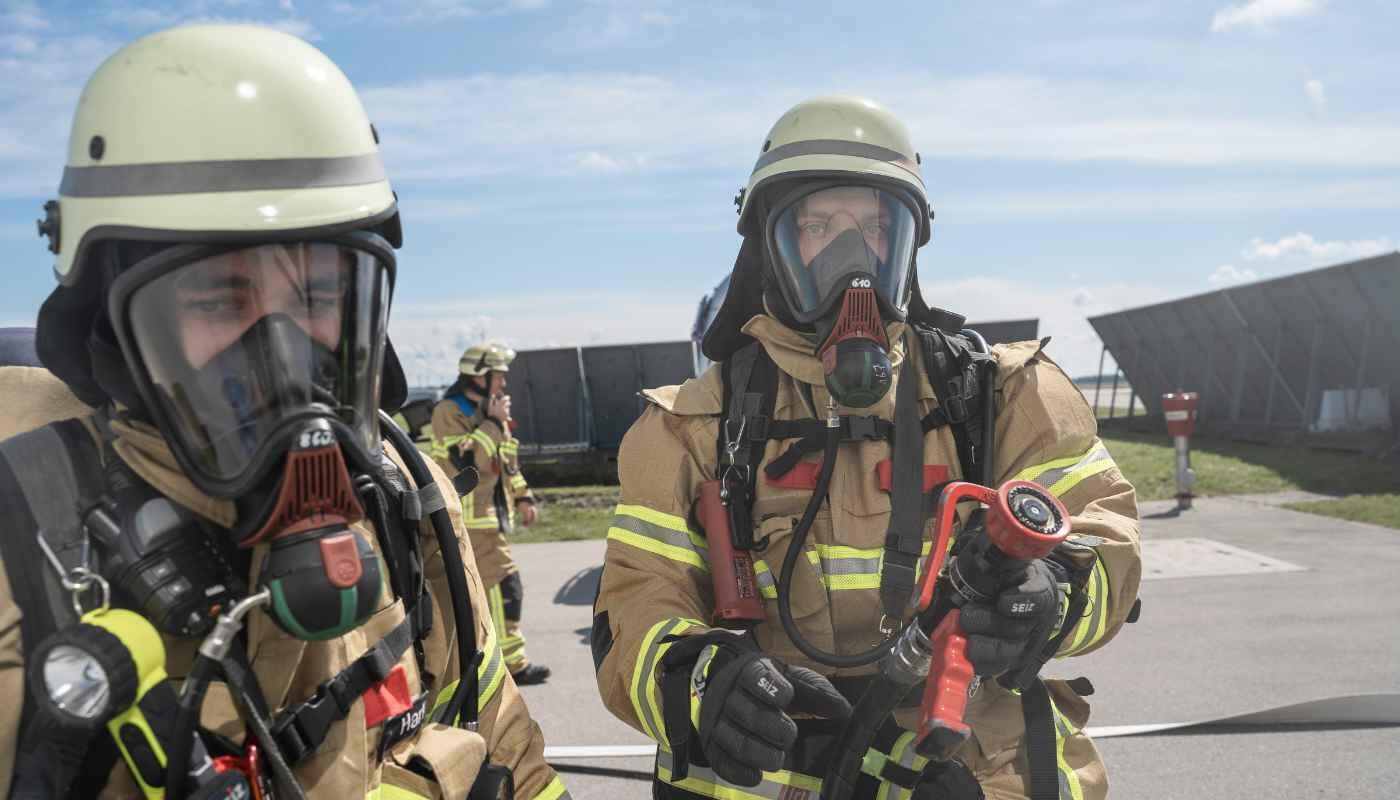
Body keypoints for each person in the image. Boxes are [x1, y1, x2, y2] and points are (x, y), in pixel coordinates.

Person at [0, 25, 568, 800]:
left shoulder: (406, 499)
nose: (281, 353)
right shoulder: (23, 552)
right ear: (114, 321)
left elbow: (506, 743)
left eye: (319, 294)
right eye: (219, 298)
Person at [592, 95, 1141, 799]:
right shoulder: (690, 428)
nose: (851, 260)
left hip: (975, 774)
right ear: (771, 247)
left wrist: (1053, 596)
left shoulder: (1002, 396)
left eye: (876, 228)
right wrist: (704, 683)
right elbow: (638, 602)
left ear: (906, 247)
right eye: (818, 226)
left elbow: (1106, 539)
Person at [431, 343, 551, 685]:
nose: (503, 384)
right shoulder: (449, 411)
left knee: (479, 593)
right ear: (479, 376)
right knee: (505, 586)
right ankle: (512, 664)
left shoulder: (490, 415)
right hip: (470, 518)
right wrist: (493, 423)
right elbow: (466, 463)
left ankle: (479, 663)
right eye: (498, 376)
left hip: (489, 518)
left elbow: (507, 464)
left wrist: (524, 497)